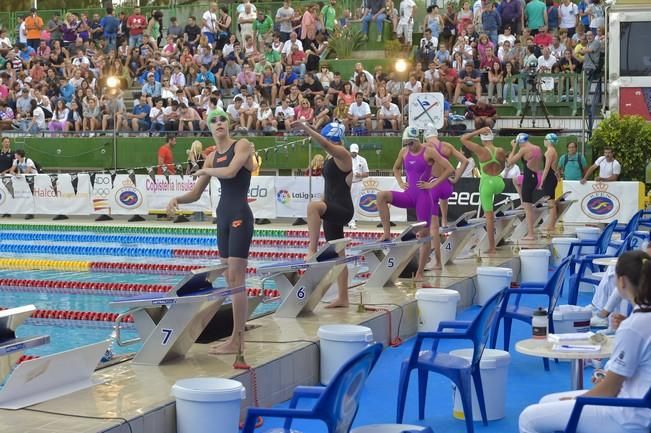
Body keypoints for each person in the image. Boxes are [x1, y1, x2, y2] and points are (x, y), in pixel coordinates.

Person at [519, 250, 651, 433]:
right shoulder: (639, 322)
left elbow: (610, 389)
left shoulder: (633, 326)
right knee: (546, 402)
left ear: (621, 281)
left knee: (528, 417)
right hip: (639, 405)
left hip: (626, 414)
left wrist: (576, 401)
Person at [167, 108, 255, 356]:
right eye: (213, 120)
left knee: (237, 279)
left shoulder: (242, 145)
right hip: (223, 218)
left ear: (229, 124)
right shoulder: (211, 157)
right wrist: (177, 199)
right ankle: (235, 336)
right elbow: (195, 194)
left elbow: (231, 172)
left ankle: (237, 341)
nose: (218, 123)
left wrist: (206, 171)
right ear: (208, 126)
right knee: (229, 279)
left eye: (222, 119)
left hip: (239, 216)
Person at [377, 127, 453, 280]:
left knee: (424, 235)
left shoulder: (428, 151)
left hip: (423, 199)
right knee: (381, 196)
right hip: (408, 195)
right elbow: (396, 168)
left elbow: (449, 168)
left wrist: (433, 184)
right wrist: (399, 181)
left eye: (411, 143)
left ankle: (419, 272)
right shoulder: (404, 152)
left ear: (417, 140)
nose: (409, 146)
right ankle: (386, 233)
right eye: (406, 143)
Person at [294, 120, 354, 308]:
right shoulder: (331, 159)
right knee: (339, 256)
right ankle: (343, 297)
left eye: (328, 139)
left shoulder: (344, 155)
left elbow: (326, 144)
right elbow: (331, 187)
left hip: (343, 210)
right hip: (333, 208)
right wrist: (324, 202)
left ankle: (311, 249)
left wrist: (305, 128)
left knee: (312, 207)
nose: (327, 142)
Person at [461, 127, 506, 253]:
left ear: (482, 138)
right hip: (499, 182)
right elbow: (503, 166)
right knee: (493, 213)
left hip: (487, 184)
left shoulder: (480, 150)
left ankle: (492, 247)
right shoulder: (500, 150)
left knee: (489, 218)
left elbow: (463, 139)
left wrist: (477, 131)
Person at [422, 127, 462, 269]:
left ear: (426, 137)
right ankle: (444, 220)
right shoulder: (447, 146)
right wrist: (456, 178)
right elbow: (465, 161)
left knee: (433, 227)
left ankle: (438, 262)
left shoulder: (426, 147)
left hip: (433, 185)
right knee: (443, 201)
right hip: (447, 186)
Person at [508, 133, 543, 241]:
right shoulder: (537, 148)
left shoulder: (523, 150)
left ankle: (531, 234)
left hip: (529, 180)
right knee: (515, 180)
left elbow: (510, 162)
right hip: (537, 177)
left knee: (528, 209)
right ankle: (523, 202)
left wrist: (513, 148)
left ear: (520, 142)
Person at [540, 133, 560, 231]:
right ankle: (552, 223)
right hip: (552, 177)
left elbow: (546, 168)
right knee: (551, 201)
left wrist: (541, 181)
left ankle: (551, 225)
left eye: (545, 139)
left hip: (549, 178)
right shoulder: (553, 151)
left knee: (551, 202)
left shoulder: (549, 152)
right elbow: (554, 168)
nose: (544, 141)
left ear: (548, 140)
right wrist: (558, 176)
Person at [348, 143, 369, 230]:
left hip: (357, 183)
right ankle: (344, 220)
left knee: (354, 203)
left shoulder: (362, 160)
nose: (354, 154)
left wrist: (360, 174)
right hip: (346, 183)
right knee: (344, 202)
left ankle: (352, 222)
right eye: (352, 152)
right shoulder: (346, 159)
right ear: (350, 151)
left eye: (355, 152)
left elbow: (367, 173)